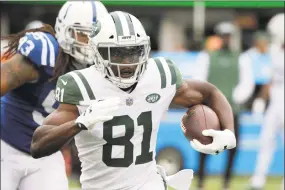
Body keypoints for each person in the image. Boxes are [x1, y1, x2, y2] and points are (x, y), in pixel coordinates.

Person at [31, 11, 237, 190]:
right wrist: (79, 123)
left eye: (134, 52)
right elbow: (38, 145)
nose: (128, 62)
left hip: (149, 184)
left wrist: (228, 131)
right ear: (97, 51)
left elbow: (210, 92)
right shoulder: (82, 85)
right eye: (118, 54)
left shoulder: (159, 75)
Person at [0, 1, 108, 190]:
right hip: (5, 143)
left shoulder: (101, 70)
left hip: (45, 154)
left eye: (96, 37)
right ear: (65, 30)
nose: (91, 44)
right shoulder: (46, 51)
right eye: (83, 35)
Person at [195, 22, 250, 190]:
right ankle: (201, 180)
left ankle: (226, 181)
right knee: (205, 144)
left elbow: (247, 83)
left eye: (228, 36)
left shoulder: (241, 57)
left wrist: (234, 99)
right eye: (223, 36)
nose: (226, 39)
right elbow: (200, 79)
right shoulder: (207, 57)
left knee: (232, 146)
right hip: (210, 109)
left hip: (232, 109)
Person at [249, 13, 284, 190]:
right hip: (276, 98)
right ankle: (258, 180)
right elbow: (271, 79)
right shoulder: (275, 50)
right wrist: (261, 100)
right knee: (266, 139)